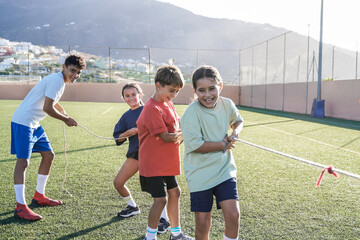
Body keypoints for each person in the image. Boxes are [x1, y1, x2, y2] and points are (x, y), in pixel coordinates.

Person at [10, 55, 86, 221]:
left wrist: (62, 109)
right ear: (64, 67)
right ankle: (20, 207)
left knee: (48, 155)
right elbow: (48, 108)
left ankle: (39, 196)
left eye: (78, 73)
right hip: (24, 122)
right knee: (23, 162)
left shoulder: (60, 80)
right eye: (72, 70)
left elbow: (51, 100)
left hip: (34, 124)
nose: (75, 75)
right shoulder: (57, 80)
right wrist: (66, 119)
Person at [180, 65, 244, 240]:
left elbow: (238, 121)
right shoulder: (191, 113)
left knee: (233, 214)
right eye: (201, 90)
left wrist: (235, 133)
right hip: (199, 173)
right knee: (202, 223)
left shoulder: (227, 104)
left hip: (224, 169)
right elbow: (196, 146)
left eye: (211, 88)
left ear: (220, 86)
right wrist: (223, 144)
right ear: (195, 90)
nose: (207, 95)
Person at [136, 65, 193, 240]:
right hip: (154, 164)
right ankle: (150, 237)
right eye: (172, 90)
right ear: (158, 85)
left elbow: (176, 127)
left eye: (177, 91)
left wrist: (186, 130)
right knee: (160, 200)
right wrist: (192, 133)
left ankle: (176, 234)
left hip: (167, 162)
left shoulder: (168, 103)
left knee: (175, 193)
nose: (174, 95)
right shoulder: (152, 108)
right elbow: (166, 137)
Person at [112, 83, 170, 234]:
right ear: (123, 98)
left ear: (140, 94)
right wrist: (128, 132)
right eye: (127, 95)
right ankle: (132, 207)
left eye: (133, 94)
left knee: (156, 190)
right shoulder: (125, 116)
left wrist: (142, 130)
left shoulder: (149, 109)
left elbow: (164, 129)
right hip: (136, 154)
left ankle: (164, 219)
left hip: (153, 154)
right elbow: (117, 138)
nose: (131, 98)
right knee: (118, 182)